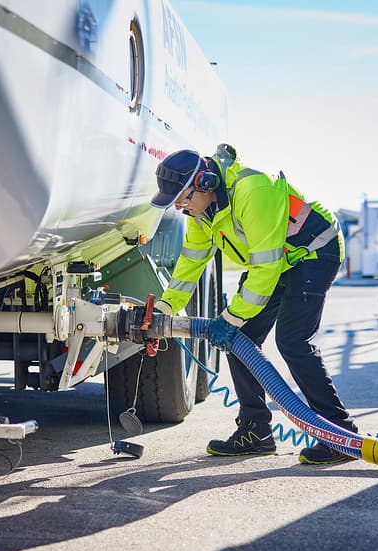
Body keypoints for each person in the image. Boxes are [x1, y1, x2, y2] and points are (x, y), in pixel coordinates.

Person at [149, 144, 359, 464]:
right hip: (278, 261)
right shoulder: (202, 214)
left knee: (292, 340)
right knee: (241, 339)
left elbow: (266, 267)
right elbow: (188, 268)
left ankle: (339, 434)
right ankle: (255, 432)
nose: (181, 209)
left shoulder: (252, 189)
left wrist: (230, 319)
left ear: (205, 183)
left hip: (314, 253)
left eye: (184, 199)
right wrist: (163, 310)